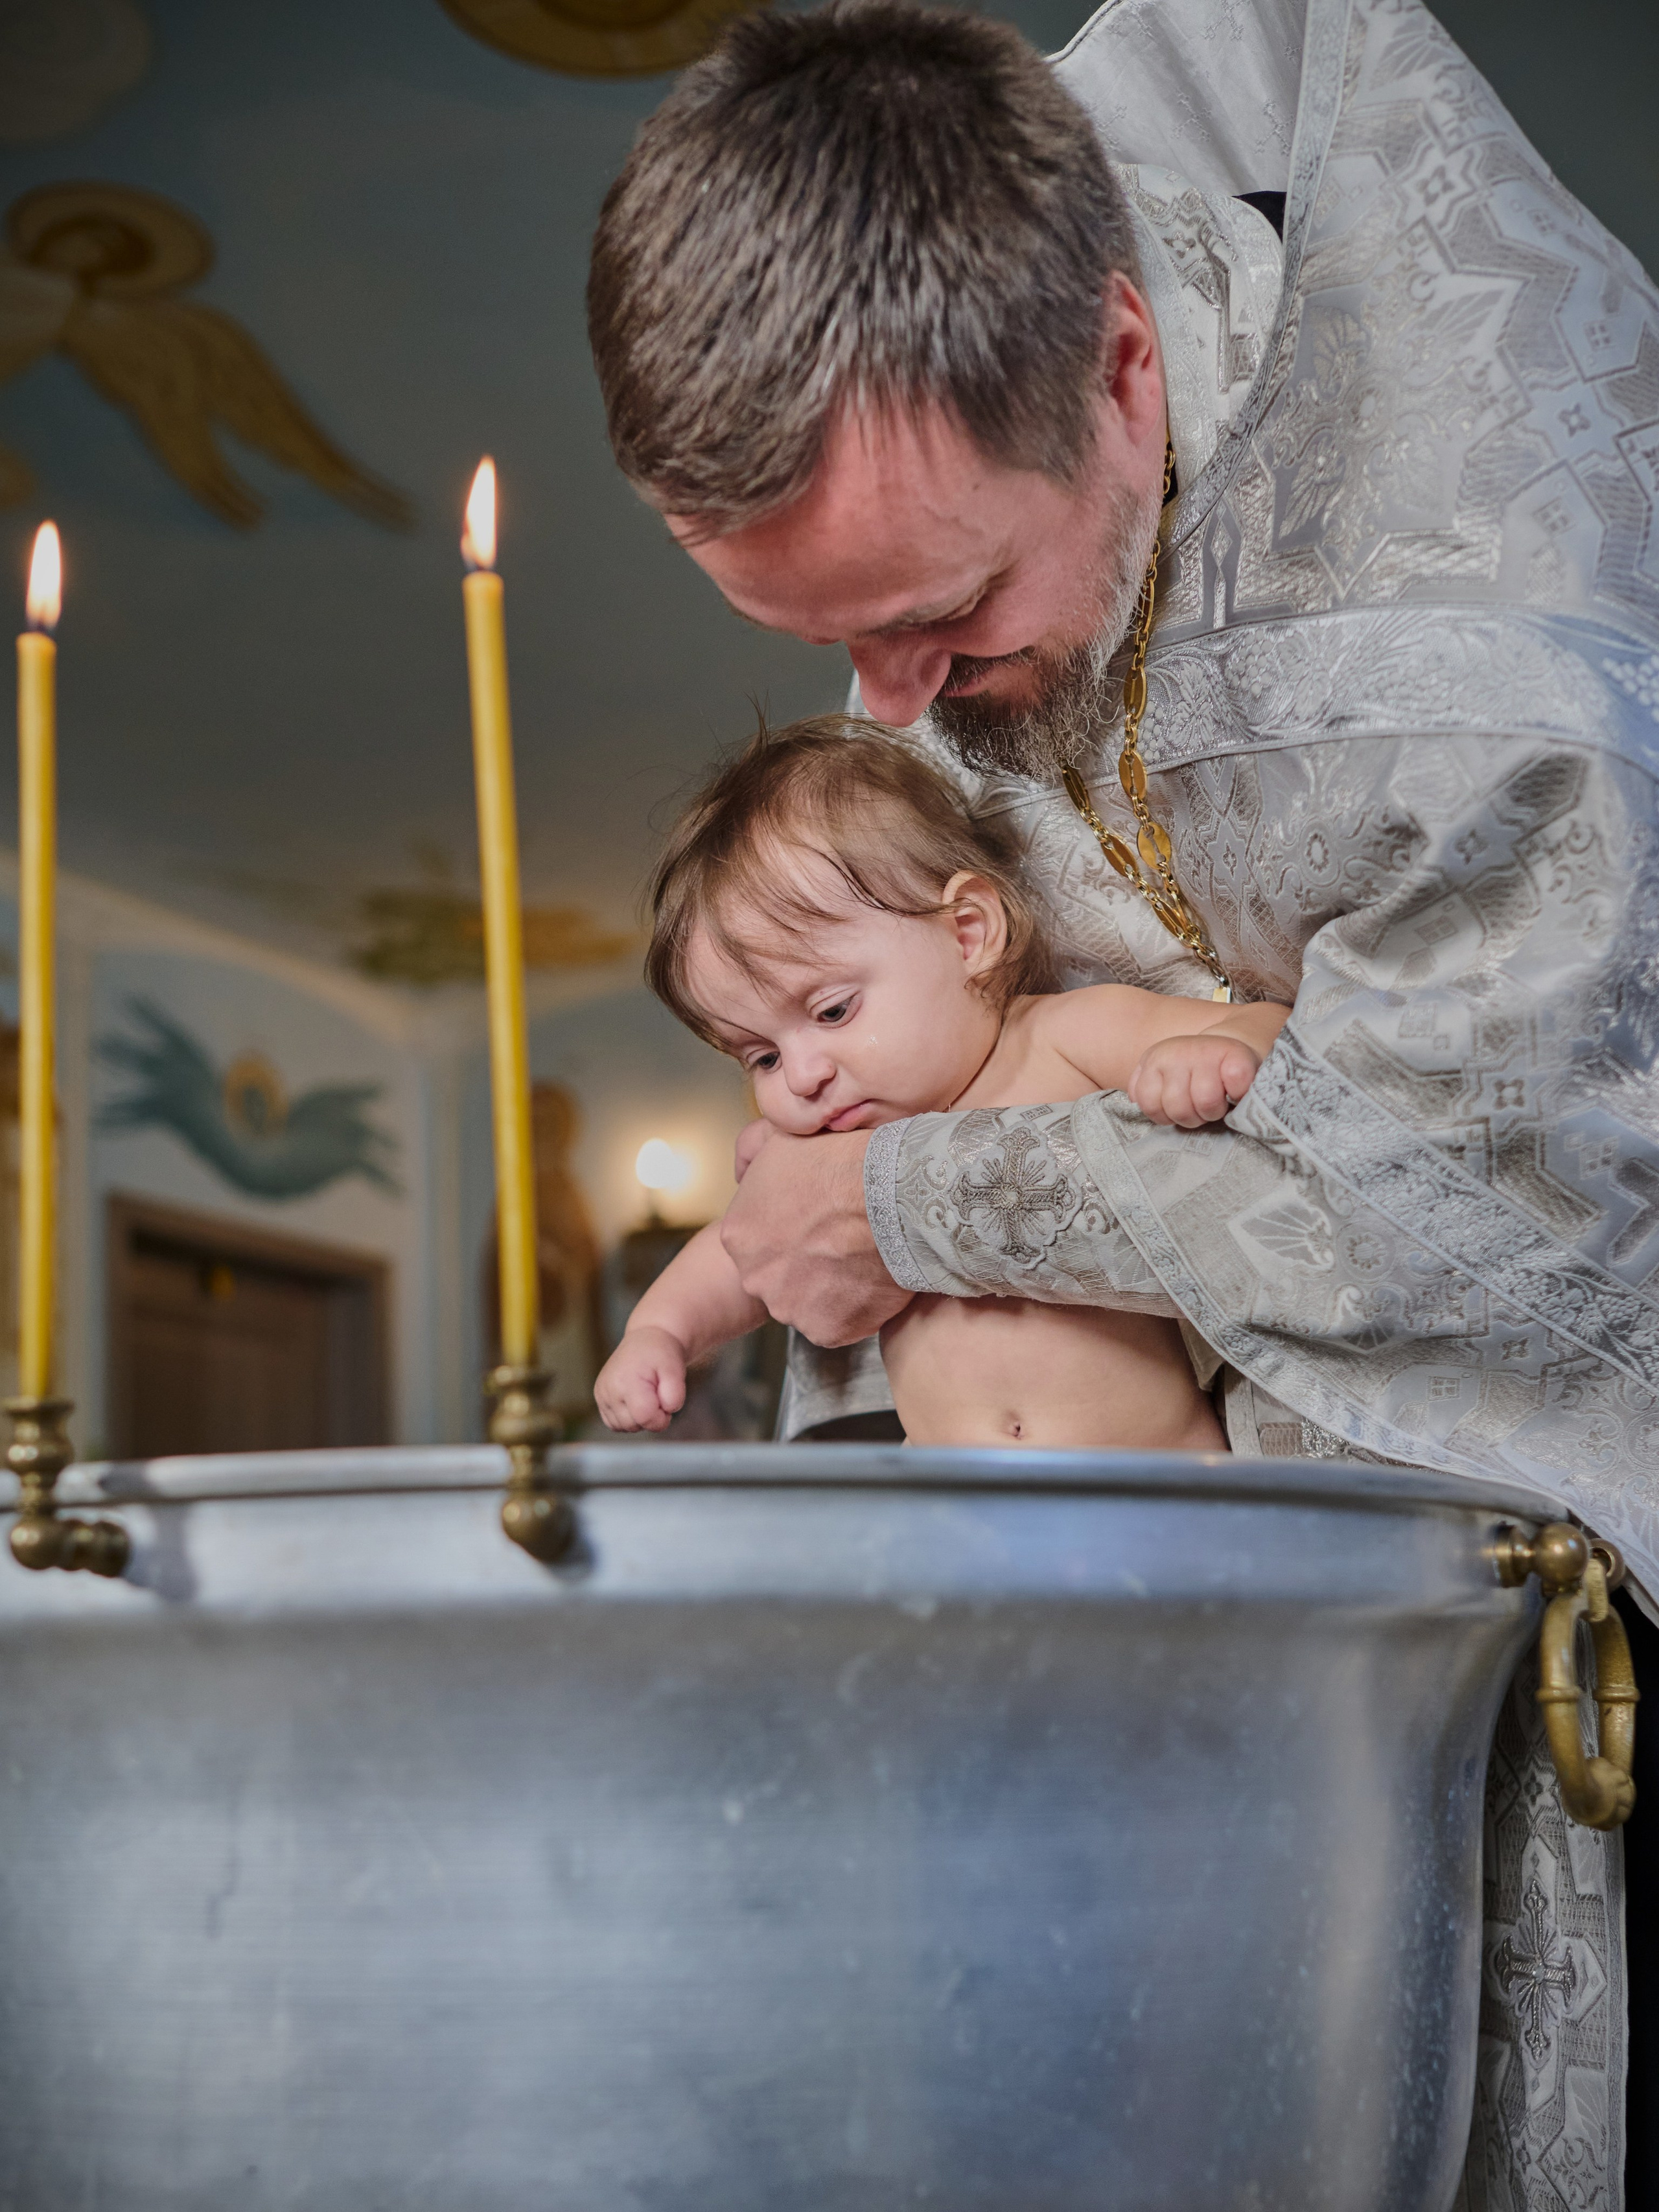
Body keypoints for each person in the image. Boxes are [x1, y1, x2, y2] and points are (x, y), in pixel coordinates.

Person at [586, 0, 1659, 2193]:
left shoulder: (1496, 634)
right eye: (839, 640)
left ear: (1126, 371)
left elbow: (1466, 1207)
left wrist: (906, 1212)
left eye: (946, 620)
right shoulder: (964, 454)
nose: (898, 720)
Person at [596, 719, 1288, 1446]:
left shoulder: (1058, 1037)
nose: (802, 1074)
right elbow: (740, 1247)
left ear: (966, 932)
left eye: (833, 1009)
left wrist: (1219, 1052)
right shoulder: (835, 1147)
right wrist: (659, 1332)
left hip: (1156, 1493)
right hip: (960, 1515)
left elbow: (1270, 1027)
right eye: (760, 1055)